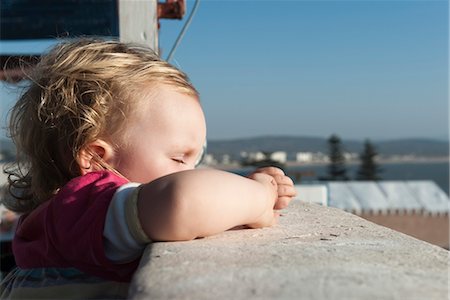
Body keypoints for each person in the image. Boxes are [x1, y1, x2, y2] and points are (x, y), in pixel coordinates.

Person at [0, 39, 296, 299]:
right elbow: (182, 202)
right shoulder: (82, 208)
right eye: (179, 159)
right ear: (96, 158)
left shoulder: (66, 222)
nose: (191, 174)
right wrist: (259, 196)